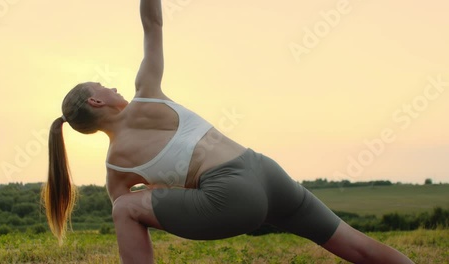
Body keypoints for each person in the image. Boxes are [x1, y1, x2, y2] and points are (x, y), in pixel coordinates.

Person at [42, 0, 414, 263]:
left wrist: (164, 189)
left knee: (124, 208)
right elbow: (153, 24)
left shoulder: (117, 170)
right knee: (358, 248)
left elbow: (137, 218)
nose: (111, 86)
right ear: (95, 103)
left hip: (232, 197)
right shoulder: (147, 93)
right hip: (264, 171)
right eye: (102, 86)